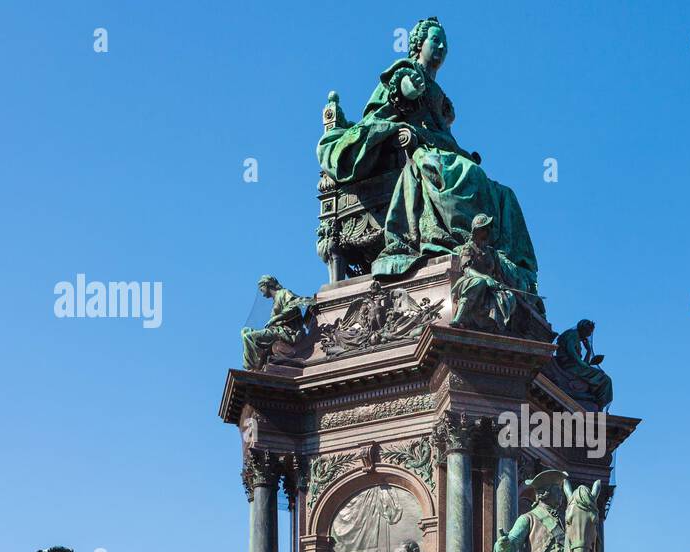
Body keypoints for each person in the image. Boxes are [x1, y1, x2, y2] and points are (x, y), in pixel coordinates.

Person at [316, 17, 538, 287]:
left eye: (445, 43)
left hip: (437, 148)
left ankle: (491, 255)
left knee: (504, 195)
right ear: (418, 44)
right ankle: (456, 242)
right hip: (413, 150)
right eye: (435, 40)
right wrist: (407, 90)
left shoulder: (440, 94)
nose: (442, 46)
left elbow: (444, 135)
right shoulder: (407, 71)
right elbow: (386, 108)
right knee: (462, 172)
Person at [241, 275, 310, 370]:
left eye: (261, 289)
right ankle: (254, 363)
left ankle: (253, 367)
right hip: (277, 330)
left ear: (266, 285)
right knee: (245, 331)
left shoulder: (284, 293)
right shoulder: (275, 300)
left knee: (249, 337)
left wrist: (275, 318)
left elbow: (294, 307)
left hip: (287, 332)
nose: (262, 294)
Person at [554, 320, 612, 409]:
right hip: (568, 365)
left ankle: (598, 403)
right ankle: (599, 403)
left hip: (574, 366)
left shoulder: (578, 338)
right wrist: (584, 365)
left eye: (589, 333)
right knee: (605, 379)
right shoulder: (572, 334)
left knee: (604, 379)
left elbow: (583, 362)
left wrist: (588, 350)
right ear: (583, 328)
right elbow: (572, 354)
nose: (588, 335)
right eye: (588, 332)